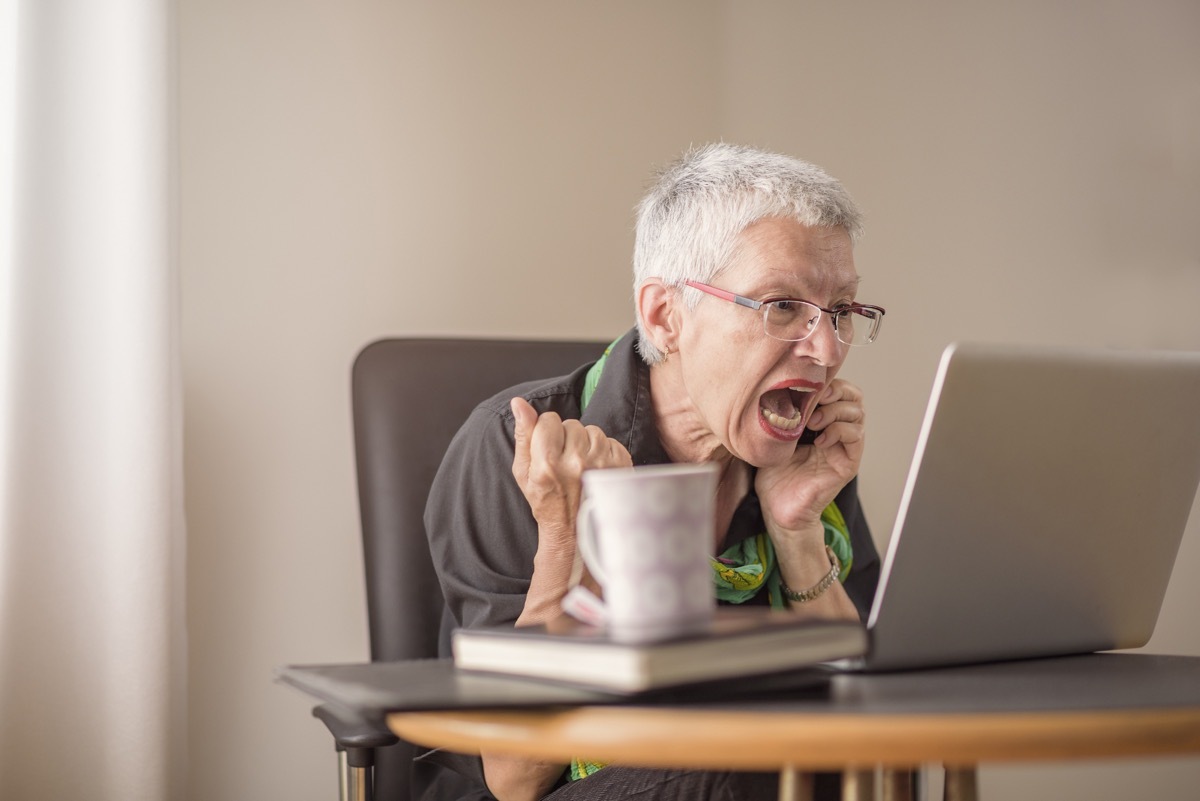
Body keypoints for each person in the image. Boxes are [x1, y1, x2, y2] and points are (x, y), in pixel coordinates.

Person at [419, 143, 885, 801]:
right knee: (747, 763)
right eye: (783, 305)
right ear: (666, 315)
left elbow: (873, 712)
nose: (829, 348)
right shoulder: (512, 448)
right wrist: (567, 545)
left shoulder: (807, 451)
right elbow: (515, 774)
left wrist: (798, 530)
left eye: (841, 311)